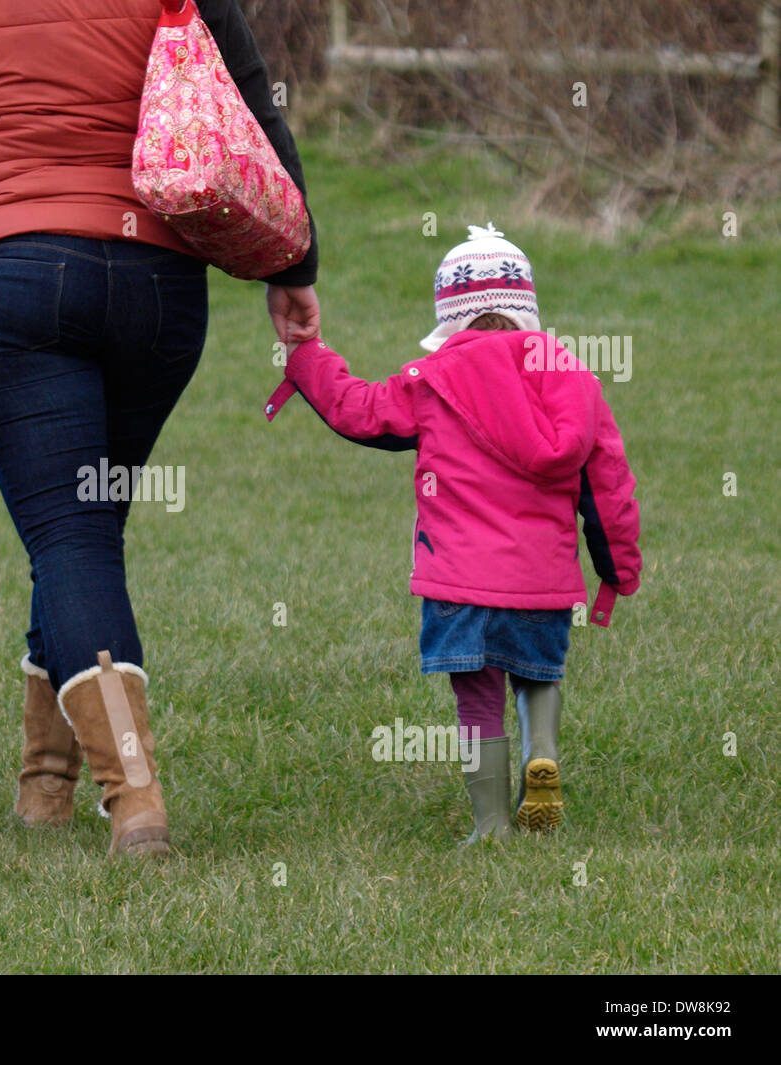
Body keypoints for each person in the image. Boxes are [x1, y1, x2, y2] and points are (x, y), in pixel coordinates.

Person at [0, 0, 319, 856]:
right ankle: (44, 786)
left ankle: (135, 799)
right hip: (159, 294)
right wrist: (293, 263)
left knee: (69, 537)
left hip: (10, 279)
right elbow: (248, 103)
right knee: (79, 531)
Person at [266, 224, 641, 844]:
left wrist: (307, 355)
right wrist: (617, 568)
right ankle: (541, 752)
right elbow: (608, 491)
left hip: (458, 583)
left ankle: (491, 823)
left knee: (477, 699)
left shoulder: (432, 379)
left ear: (451, 314)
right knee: (538, 675)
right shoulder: (576, 379)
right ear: (527, 309)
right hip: (542, 583)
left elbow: (356, 411)